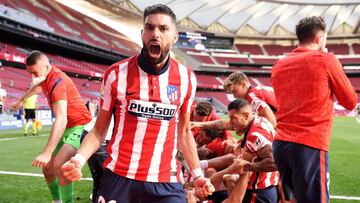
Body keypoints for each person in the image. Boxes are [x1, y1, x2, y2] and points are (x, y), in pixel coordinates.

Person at [61, 4, 214, 203]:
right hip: (120, 177)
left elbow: (183, 132)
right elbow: (99, 131)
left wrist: (198, 175)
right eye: (150, 28)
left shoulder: (186, 78)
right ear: (143, 33)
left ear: (175, 37)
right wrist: (78, 159)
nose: (155, 34)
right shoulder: (116, 74)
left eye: (163, 28)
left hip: (165, 181)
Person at [271, 16, 358, 203]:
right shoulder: (325, 60)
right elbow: (350, 101)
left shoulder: (278, 66)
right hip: (309, 144)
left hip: (281, 146)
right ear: (320, 39)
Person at [12, 50, 92, 203]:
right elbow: (37, 87)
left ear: (46, 66)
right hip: (69, 126)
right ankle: (57, 201)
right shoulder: (46, 77)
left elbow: (61, 120)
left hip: (80, 126)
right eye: (30, 73)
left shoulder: (57, 81)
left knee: (60, 165)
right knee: (48, 169)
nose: (33, 77)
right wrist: (20, 100)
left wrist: (47, 153)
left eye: (35, 72)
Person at [192, 71, 277, 132]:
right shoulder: (256, 92)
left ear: (243, 84)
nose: (234, 96)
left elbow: (271, 123)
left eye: (235, 91)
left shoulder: (252, 96)